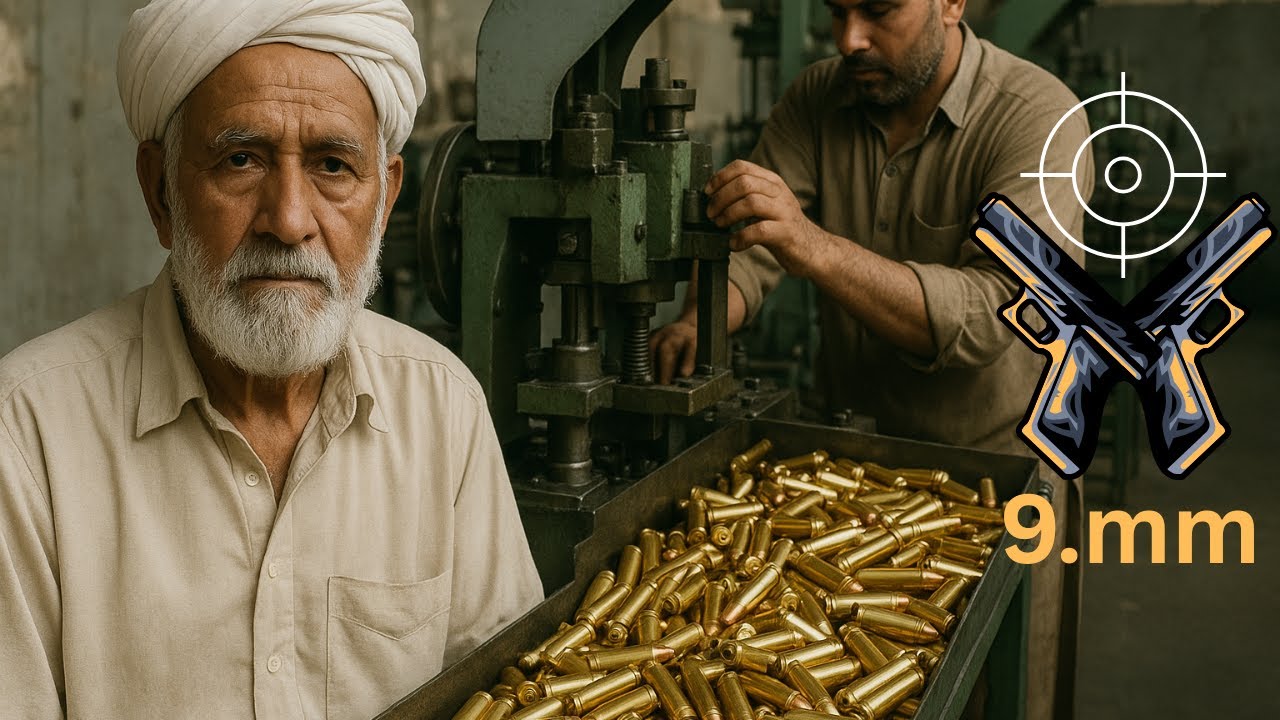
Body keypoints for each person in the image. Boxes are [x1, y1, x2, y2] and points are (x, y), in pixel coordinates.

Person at [0, 1, 542, 718]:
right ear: (159, 190)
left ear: (384, 204)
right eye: (240, 159)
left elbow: (514, 696)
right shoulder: (28, 431)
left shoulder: (442, 410)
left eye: (332, 166)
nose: (289, 220)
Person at [651, 0, 1091, 717]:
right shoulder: (819, 97)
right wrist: (703, 319)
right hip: (841, 480)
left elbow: (993, 315)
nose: (850, 38)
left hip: (993, 486)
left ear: (951, 3)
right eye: (837, 10)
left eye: (879, 9)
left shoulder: (1042, 121)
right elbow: (758, 243)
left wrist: (814, 246)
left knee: (993, 697)